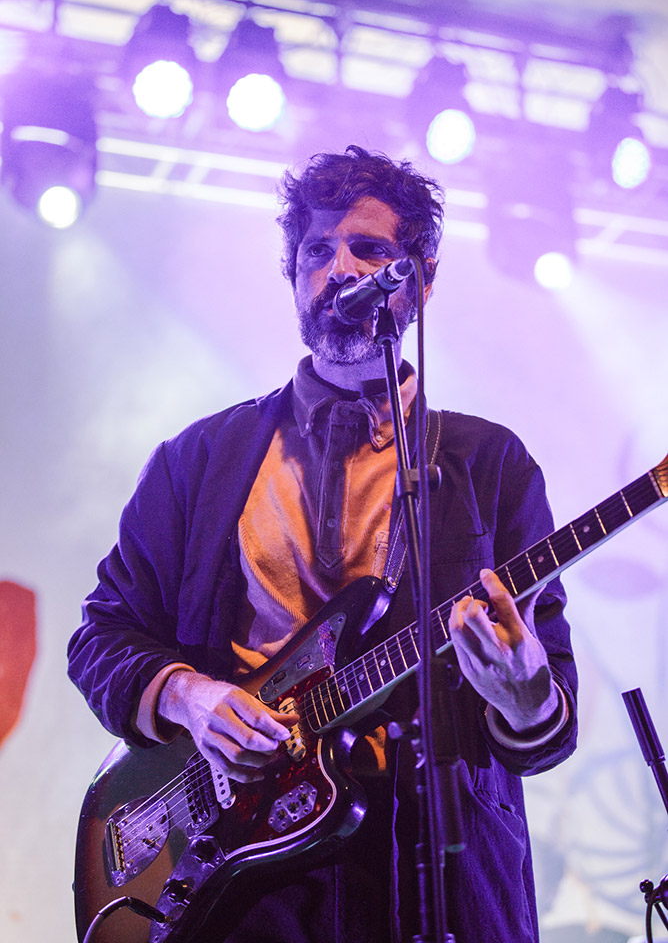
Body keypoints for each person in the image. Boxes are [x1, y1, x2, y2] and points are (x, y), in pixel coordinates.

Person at [68, 145, 577, 943]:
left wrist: (524, 691)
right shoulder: (199, 460)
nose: (341, 271)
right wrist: (188, 696)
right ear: (292, 271)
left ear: (422, 280)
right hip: (238, 886)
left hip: (434, 879)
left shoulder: (490, 464)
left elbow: (546, 728)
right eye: (317, 250)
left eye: (371, 250)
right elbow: (100, 635)